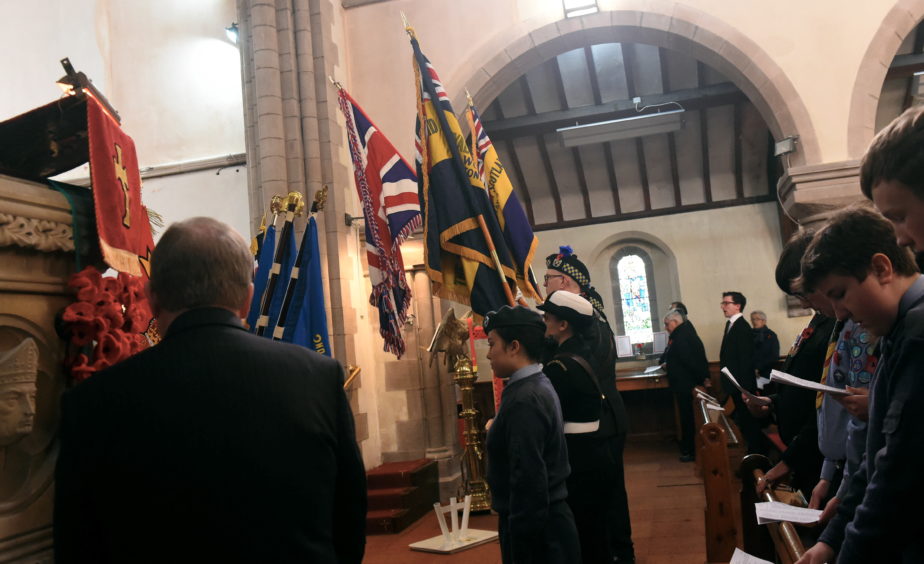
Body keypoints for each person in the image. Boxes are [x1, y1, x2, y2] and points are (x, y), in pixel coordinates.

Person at [53, 217, 367, 564]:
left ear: (152, 299)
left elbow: (77, 544)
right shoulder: (319, 378)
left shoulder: (91, 402)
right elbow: (349, 517)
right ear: (248, 298)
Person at [794, 206, 923, 564]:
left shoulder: (917, 333)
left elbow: (899, 474)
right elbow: (877, 452)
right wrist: (830, 541)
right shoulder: (898, 330)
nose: (839, 313)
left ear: (882, 268)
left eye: (840, 293)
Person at [545, 246, 634, 563]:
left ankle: (618, 555)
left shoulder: (589, 322)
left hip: (599, 421)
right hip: (603, 418)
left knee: (605, 500)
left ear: (567, 282)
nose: (545, 285)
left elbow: (580, 373)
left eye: (548, 279)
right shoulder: (589, 315)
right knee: (606, 497)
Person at [483, 305, 580, 564]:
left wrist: (522, 544)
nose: (488, 354)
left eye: (492, 344)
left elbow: (528, 478)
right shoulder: (532, 385)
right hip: (546, 522)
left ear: (514, 347)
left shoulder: (525, 398)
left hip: (539, 531)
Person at [745, 230, 834, 498]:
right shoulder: (820, 319)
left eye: (803, 292)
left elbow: (824, 406)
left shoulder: (837, 322)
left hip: (817, 453)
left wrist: (790, 461)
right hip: (809, 451)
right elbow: (805, 385)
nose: (802, 301)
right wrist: (773, 403)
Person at [539, 291, 620, 563]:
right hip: (596, 450)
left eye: (548, 318)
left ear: (563, 325)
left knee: (584, 536)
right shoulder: (581, 351)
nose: (544, 322)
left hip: (578, 458)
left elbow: (550, 415)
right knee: (598, 532)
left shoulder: (560, 366)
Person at [662, 309, 709, 462]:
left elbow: (690, 362)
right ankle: (688, 448)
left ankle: (690, 450)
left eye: (667, 324)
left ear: (675, 322)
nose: (666, 328)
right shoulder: (683, 334)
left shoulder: (681, 337)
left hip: (686, 385)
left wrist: (702, 379)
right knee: (686, 418)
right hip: (686, 384)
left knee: (688, 418)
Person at [719, 290, 762, 453]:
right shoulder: (731, 324)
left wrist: (745, 389)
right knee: (743, 422)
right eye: (722, 303)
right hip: (735, 384)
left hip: (741, 385)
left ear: (737, 306)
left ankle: (756, 456)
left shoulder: (742, 327)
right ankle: (751, 454)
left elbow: (746, 361)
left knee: (749, 423)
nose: (723, 307)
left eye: (726, 303)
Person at [750, 310, 780, 383]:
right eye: (752, 319)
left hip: (766, 373)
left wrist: (758, 368)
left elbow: (774, 356)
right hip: (750, 373)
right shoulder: (748, 335)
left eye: (757, 319)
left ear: (764, 321)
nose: (754, 321)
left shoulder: (771, 335)